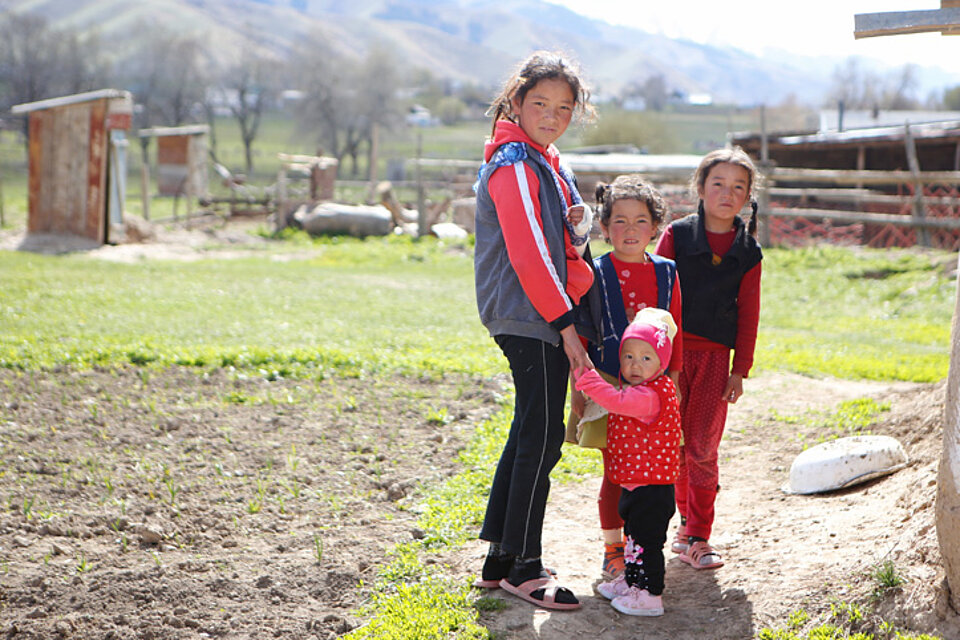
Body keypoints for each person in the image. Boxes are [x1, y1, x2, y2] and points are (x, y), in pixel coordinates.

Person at [472, 50, 596, 611]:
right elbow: (529, 255)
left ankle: (501, 558)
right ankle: (526, 565)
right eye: (540, 103)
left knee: (531, 429)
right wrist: (567, 325)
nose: (551, 115)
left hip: (539, 311)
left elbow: (556, 241)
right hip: (532, 314)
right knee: (543, 436)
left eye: (563, 107)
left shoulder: (543, 160)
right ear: (516, 102)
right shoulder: (516, 163)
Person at [568, 175, 683, 581]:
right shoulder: (593, 272)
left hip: (654, 393)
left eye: (640, 222)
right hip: (606, 380)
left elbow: (675, 330)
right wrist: (577, 390)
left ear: (656, 227)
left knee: (652, 472)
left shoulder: (668, 273)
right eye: (619, 221)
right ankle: (613, 548)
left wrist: (675, 383)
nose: (630, 231)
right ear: (603, 227)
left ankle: (642, 544)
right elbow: (580, 335)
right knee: (616, 470)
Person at [653, 146, 763, 570]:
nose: (726, 193)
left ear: (748, 195)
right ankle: (668, 526)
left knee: (701, 446)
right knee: (669, 443)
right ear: (700, 188)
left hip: (716, 361)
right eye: (717, 183)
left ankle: (697, 534)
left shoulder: (749, 251)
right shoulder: (677, 236)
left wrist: (741, 369)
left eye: (738, 187)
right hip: (669, 357)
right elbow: (657, 292)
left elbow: (749, 313)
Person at [574, 307, 681, 617]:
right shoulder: (643, 388)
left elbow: (615, 401)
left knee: (646, 543)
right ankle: (633, 583)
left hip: (652, 488)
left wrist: (589, 380)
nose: (635, 365)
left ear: (662, 362)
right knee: (633, 539)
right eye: (628, 356)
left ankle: (649, 596)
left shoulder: (650, 396)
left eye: (646, 358)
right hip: (638, 483)